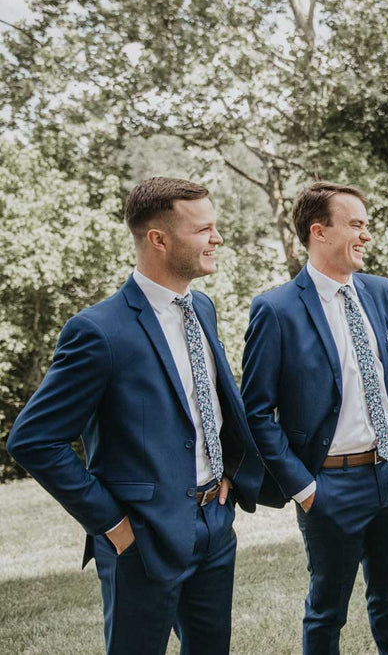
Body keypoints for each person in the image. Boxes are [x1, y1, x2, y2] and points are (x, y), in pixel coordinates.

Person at [7, 177, 264, 655]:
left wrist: (226, 477)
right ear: (158, 239)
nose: (218, 238)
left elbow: (206, 406)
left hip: (214, 524)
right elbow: (33, 440)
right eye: (203, 229)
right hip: (141, 539)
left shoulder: (201, 307)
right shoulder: (98, 331)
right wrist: (113, 524)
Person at [241, 181, 388, 655]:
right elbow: (257, 412)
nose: (367, 236)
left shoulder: (382, 292)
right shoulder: (276, 309)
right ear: (319, 232)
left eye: (367, 225)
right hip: (329, 486)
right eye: (357, 225)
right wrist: (304, 489)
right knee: (327, 612)